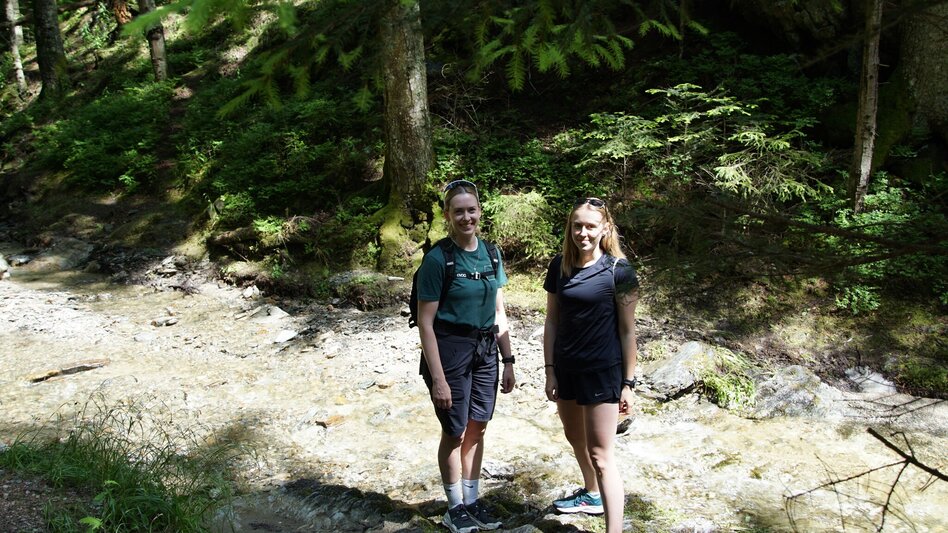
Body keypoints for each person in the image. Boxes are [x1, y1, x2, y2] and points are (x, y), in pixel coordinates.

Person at [417, 179, 517, 533]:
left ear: (479, 211)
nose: (466, 217)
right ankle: (454, 506)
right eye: (458, 211)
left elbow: (498, 310)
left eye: (471, 210)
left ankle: (473, 501)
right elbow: (425, 324)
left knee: (478, 425)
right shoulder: (437, 260)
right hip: (449, 351)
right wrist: (438, 379)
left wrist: (508, 361)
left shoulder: (491, 253)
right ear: (447, 215)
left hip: (486, 349)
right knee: (455, 431)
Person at [543, 197, 639, 533]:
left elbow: (628, 331)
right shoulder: (560, 267)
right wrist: (550, 369)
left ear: (605, 229)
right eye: (577, 225)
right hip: (567, 368)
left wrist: (628, 384)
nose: (583, 233)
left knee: (601, 454)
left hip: (602, 371)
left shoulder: (620, 271)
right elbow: (552, 321)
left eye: (590, 226)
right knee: (574, 436)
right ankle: (592, 494)